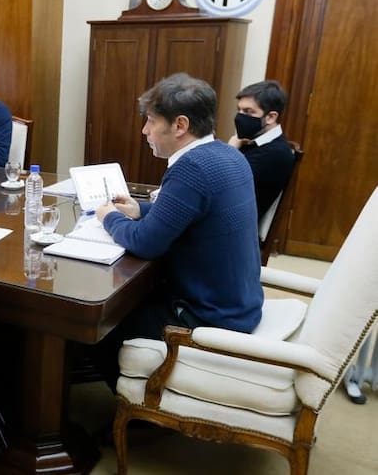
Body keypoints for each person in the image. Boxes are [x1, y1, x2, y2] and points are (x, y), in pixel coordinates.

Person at [91, 73, 263, 389]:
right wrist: (138, 210)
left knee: (98, 325)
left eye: (151, 122)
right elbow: (193, 214)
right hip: (240, 301)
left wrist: (108, 217)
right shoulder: (227, 155)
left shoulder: (191, 168)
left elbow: (145, 243)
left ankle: (143, 408)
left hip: (210, 317)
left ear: (180, 126)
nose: (145, 131)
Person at [227, 80, 295, 222]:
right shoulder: (253, 141)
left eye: (248, 112)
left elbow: (221, 183)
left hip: (235, 229)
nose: (240, 117)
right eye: (239, 110)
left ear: (270, 117)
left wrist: (230, 150)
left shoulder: (275, 154)